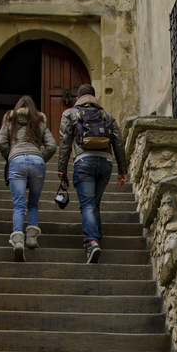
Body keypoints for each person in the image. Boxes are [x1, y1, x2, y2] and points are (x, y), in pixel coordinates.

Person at [57, 84, 128, 264]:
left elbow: (65, 142)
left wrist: (62, 168)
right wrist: (122, 170)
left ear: (78, 98)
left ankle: (92, 241)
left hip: (84, 162)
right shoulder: (107, 115)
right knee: (94, 203)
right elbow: (118, 143)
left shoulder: (70, 114)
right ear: (94, 97)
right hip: (105, 163)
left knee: (88, 204)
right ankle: (97, 236)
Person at [0, 95, 57, 262]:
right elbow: (51, 146)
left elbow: (1, 141)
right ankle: (31, 238)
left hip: (16, 161)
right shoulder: (39, 122)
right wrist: (40, 158)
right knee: (33, 202)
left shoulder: (10, 121)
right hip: (37, 162)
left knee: (18, 204)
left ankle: (18, 240)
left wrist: (11, 156)